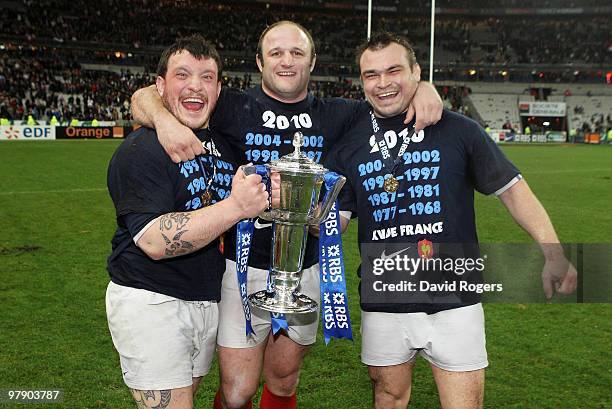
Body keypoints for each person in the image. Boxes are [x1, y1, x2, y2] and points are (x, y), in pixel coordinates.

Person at [130, 21, 443, 409]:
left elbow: (390, 98)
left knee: (283, 381)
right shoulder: (230, 105)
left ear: (312, 60)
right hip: (240, 268)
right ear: (260, 61)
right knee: (238, 391)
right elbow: (146, 95)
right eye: (276, 52)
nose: (287, 61)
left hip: (305, 267)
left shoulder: (342, 114)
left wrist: (424, 87)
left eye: (297, 52)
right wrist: (162, 120)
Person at [325, 32, 577, 409]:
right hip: (384, 300)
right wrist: (303, 217)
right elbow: (336, 222)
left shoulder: (459, 130)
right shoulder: (349, 145)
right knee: (388, 396)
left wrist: (553, 252)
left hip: (454, 300)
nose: (382, 83)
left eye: (393, 70)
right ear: (361, 81)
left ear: (417, 72)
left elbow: (512, 190)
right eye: (370, 74)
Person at [106, 35, 269, 409]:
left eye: (207, 77)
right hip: (152, 300)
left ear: (219, 89)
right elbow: (153, 241)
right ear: (160, 86)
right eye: (182, 75)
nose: (195, 85)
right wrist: (236, 207)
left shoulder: (224, 144)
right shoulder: (141, 149)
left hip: (204, 300)